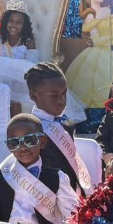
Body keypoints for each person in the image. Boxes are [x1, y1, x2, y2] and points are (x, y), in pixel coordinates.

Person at [0, 115, 79, 224]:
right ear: (9, 147)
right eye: (14, 143)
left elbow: (72, 214)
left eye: (30, 140)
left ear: (42, 141)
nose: (23, 147)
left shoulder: (57, 177)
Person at [25, 62, 92, 192]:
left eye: (63, 93)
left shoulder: (67, 122)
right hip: (45, 195)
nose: (61, 100)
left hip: (70, 191)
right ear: (33, 96)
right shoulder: (28, 128)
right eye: (54, 95)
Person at [65, 0, 113, 108]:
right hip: (95, 56)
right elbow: (96, 40)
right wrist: (101, 20)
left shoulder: (108, 13)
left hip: (109, 56)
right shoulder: (91, 16)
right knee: (93, 87)